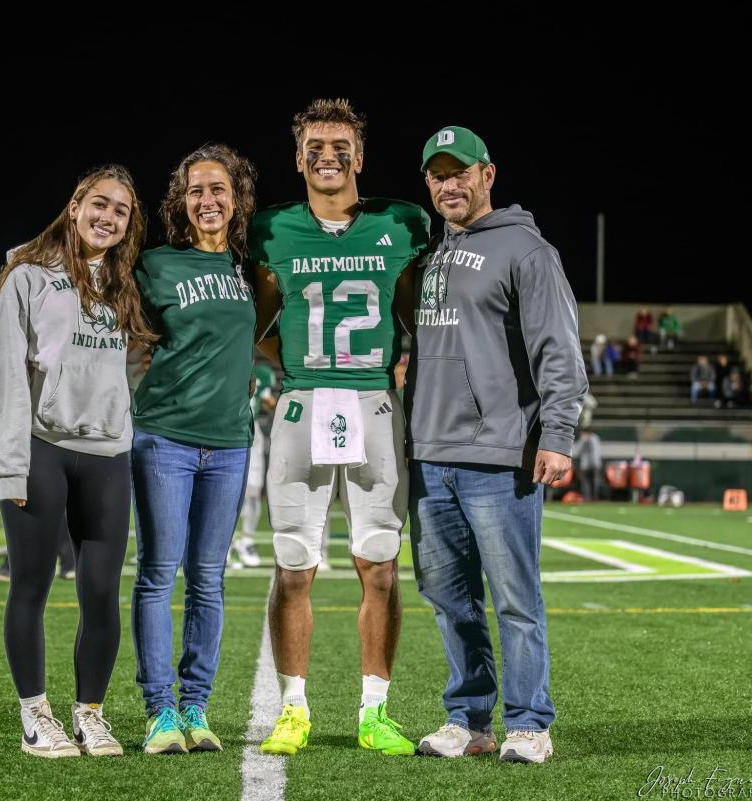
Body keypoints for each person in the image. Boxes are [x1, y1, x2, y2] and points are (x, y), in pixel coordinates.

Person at [251, 98, 430, 757]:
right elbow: (259, 326)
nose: (329, 155)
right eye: (316, 146)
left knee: (379, 564)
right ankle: (293, 708)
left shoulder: (399, 223)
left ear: (361, 153)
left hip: (375, 406)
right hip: (302, 406)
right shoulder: (273, 229)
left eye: (340, 144)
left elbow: (416, 320)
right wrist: (299, 365)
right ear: (298, 158)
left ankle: (374, 710)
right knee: (293, 564)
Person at [407, 126, 586, 765]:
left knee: (515, 598)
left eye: (460, 172)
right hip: (429, 457)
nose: (447, 184)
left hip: (498, 457)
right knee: (449, 599)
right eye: (436, 175)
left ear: (489, 174)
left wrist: (558, 435)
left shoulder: (527, 250)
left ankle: (531, 722)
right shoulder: (432, 252)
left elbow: (559, 352)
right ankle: (469, 720)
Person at [0, 164, 155, 758]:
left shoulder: (125, 284)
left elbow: (131, 368)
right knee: (30, 586)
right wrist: (9, 464)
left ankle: (91, 714)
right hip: (41, 447)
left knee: (102, 592)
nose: (108, 218)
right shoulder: (28, 277)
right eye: (99, 204)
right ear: (76, 204)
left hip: (106, 454)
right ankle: (35, 715)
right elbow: (2, 371)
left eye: (121, 211)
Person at [130, 144, 257, 755]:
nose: (208, 201)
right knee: (158, 574)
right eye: (196, 191)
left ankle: (196, 706)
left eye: (218, 189)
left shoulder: (248, 267)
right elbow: (98, 286)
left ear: (236, 200)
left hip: (231, 444)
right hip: (164, 438)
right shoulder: (155, 263)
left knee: (208, 579)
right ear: (181, 202)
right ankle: (159, 711)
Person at [229, 363, 278, 569]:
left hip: (251, 428)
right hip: (225, 425)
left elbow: (268, 402)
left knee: (253, 491)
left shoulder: (263, 373)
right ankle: (226, 545)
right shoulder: (225, 362)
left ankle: (246, 541)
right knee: (225, 490)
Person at [573, 430, 603, 501]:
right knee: (588, 483)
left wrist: (582, 440)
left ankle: (592, 498)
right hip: (591, 465)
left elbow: (576, 451)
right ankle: (589, 498)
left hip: (590, 465)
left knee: (592, 483)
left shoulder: (592, 439)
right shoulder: (595, 438)